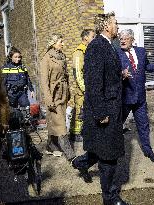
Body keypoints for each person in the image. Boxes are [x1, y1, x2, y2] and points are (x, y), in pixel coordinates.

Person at [72, 12, 129, 205]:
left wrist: (119, 75)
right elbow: (93, 84)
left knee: (100, 151)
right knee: (109, 157)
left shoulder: (108, 45)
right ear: (106, 26)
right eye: (116, 23)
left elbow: (104, 76)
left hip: (111, 108)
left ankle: (80, 163)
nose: (118, 26)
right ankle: (110, 198)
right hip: (105, 111)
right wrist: (101, 113)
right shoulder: (97, 46)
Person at [117, 29, 154, 163]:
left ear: (132, 39)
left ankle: (148, 150)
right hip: (125, 98)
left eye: (125, 38)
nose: (122, 40)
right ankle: (115, 151)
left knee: (143, 125)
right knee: (117, 125)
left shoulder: (141, 51)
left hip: (140, 98)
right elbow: (111, 73)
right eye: (120, 38)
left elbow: (146, 66)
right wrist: (120, 75)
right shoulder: (115, 53)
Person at [39, 33, 75, 161]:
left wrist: (68, 92)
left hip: (63, 93)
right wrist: (48, 100)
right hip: (53, 96)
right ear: (53, 43)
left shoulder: (62, 56)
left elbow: (66, 76)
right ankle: (71, 155)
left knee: (55, 122)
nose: (63, 44)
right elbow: (44, 82)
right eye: (61, 41)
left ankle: (50, 146)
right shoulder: (46, 59)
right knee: (61, 124)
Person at [68, 29, 95, 142]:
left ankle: (84, 131)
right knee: (80, 111)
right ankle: (75, 134)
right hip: (83, 90)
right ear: (85, 38)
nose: (94, 38)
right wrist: (85, 89)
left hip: (90, 87)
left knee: (86, 111)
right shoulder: (79, 53)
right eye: (92, 36)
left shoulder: (88, 50)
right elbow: (77, 73)